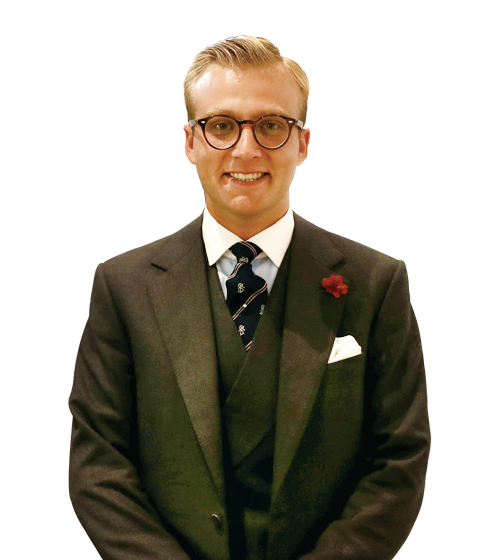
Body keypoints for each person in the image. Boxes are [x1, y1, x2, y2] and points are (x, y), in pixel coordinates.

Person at [69, 36, 430, 560]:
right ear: (190, 142)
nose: (245, 149)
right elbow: (99, 466)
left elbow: (399, 459)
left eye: (271, 126)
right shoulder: (125, 288)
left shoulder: (375, 285)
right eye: (221, 126)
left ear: (302, 143)